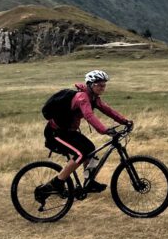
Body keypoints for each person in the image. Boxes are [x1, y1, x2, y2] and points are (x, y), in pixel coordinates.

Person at [37, 70, 132, 199]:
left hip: (68, 132)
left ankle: (89, 182)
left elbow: (108, 110)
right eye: (99, 85)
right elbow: (89, 116)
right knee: (80, 154)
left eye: (104, 85)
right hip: (55, 133)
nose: (102, 87)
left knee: (90, 150)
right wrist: (104, 130)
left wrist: (125, 121)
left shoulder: (94, 98)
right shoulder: (82, 97)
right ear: (91, 84)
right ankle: (57, 183)